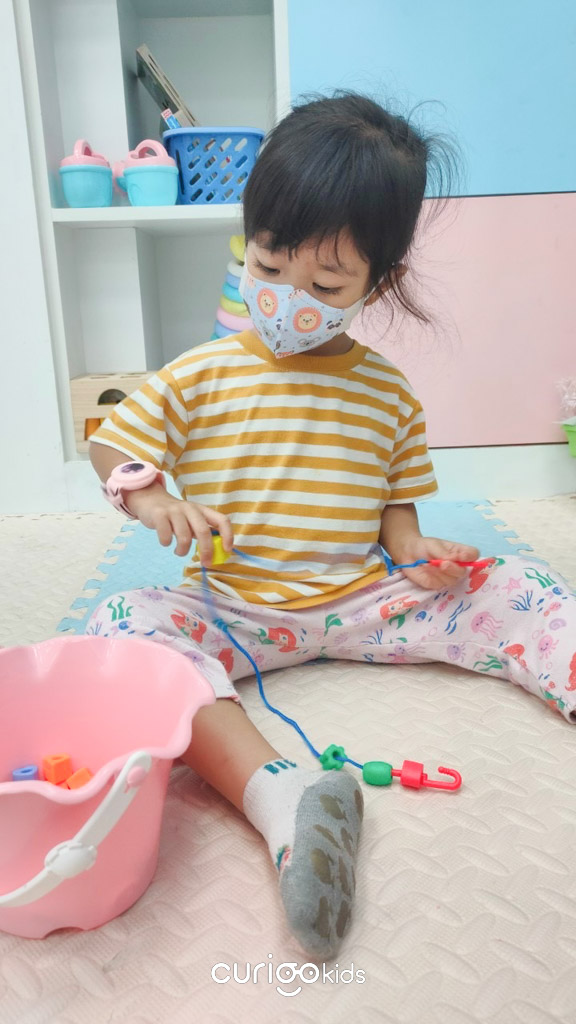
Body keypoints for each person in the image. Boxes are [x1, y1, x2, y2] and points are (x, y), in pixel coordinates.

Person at [87, 92, 576, 959]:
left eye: (324, 286)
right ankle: (280, 795)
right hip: (235, 608)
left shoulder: (386, 393)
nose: (288, 299)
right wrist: (152, 497)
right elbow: (113, 445)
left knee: (520, 584)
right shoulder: (201, 374)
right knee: (122, 623)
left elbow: (397, 516)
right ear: (247, 241)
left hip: (360, 604)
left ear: (376, 283)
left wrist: (419, 553)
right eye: (269, 265)